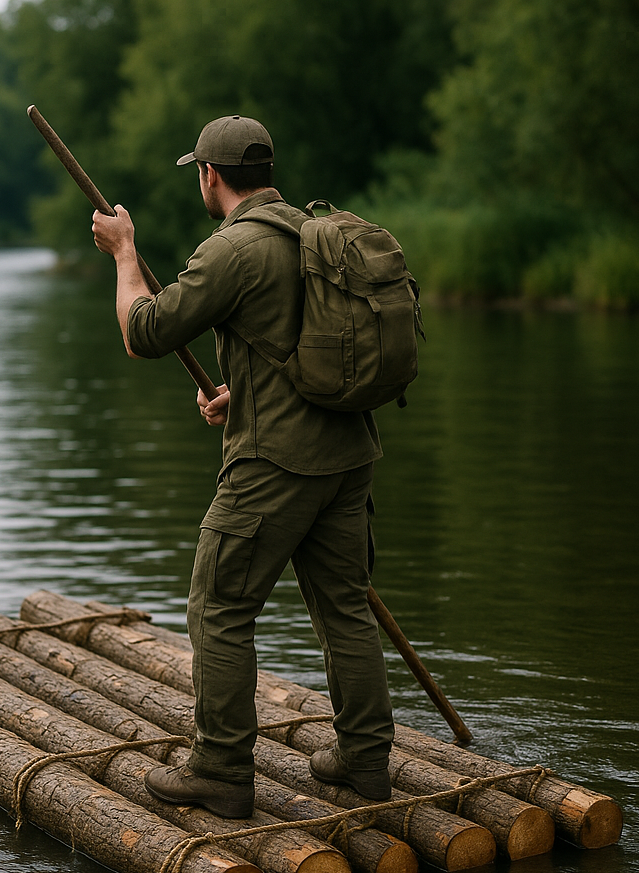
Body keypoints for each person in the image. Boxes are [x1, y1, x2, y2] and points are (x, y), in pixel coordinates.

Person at [91, 115, 394, 818]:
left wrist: (124, 254)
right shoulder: (315, 233)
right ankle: (365, 761)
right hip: (349, 455)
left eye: (198, 171)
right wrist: (245, 393)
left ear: (210, 176)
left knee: (219, 607)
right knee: (346, 609)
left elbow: (146, 333)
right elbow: (303, 344)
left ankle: (222, 771)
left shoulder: (232, 249)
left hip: (275, 466)